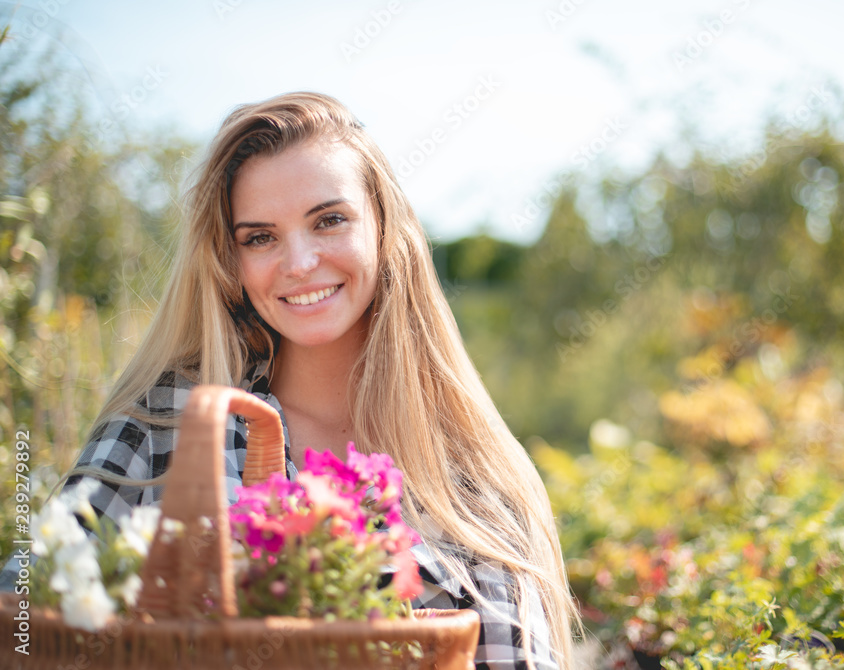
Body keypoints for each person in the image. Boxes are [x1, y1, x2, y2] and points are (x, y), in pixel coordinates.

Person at [13, 92, 578, 669]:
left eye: (329, 220)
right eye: (260, 237)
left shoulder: (468, 475)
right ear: (230, 262)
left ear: (384, 230)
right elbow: (21, 615)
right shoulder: (169, 423)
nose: (300, 261)